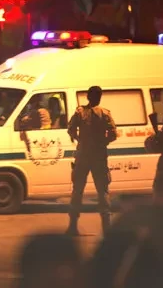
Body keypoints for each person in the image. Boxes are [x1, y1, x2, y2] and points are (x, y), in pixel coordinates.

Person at [66, 86, 117, 236]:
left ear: (88, 97)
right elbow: (113, 133)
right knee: (103, 191)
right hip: (99, 155)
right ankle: (107, 229)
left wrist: (80, 139)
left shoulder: (80, 112)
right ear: (100, 97)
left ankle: (73, 226)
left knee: (77, 190)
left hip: (83, 155)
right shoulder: (105, 113)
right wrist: (103, 142)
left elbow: (70, 129)